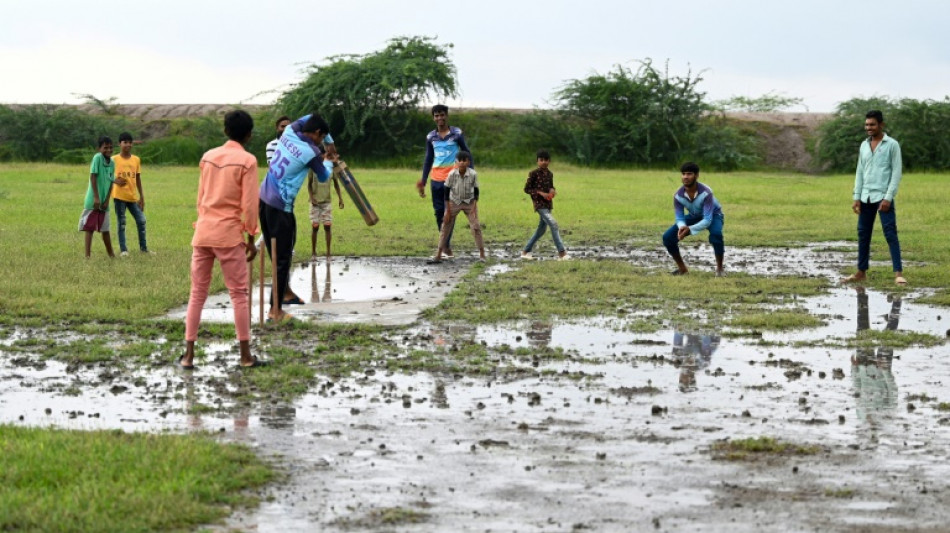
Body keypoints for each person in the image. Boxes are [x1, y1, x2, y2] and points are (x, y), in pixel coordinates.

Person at [179, 110, 266, 369]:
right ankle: (245, 356)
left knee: (197, 294)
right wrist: (251, 237)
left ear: (225, 131)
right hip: (228, 234)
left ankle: (188, 356)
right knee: (239, 294)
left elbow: (201, 197)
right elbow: (250, 205)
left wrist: (204, 220)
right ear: (249, 135)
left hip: (203, 231)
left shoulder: (208, 157)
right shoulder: (248, 160)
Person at [259, 113, 338, 322]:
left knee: (276, 255)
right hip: (281, 208)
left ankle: (285, 293)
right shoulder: (311, 152)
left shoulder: (289, 131)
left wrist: (328, 142)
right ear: (318, 133)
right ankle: (275, 311)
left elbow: (311, 116)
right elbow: (324, 176)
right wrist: (329, 159)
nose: (321, 142)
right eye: (322, 138)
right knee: (283, 258)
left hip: (263, 200)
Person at [842, 110, 906, 286]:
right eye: (867, 125)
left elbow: (896, 173)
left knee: (890, 233)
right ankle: (861, 272)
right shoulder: (864, 146)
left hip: (883, 197)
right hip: (865, 197)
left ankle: (898, 274)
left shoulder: (892, 145)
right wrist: (856, 197)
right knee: (863, 234)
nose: (869, 128)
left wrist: (888, 198)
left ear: (881, 125)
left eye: (872, 125)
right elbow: (860, 172)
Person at [417, 104, 473, 259]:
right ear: (433, 118)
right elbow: (428, 159)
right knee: (438, 213)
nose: (439, 118)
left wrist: (470, 174)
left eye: (442, 115)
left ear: (447, 116)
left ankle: (445, 244)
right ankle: (446, 244)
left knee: (450, 212)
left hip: (453, 180)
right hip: (436, 179)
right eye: (436, 115)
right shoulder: (431, 137)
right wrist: (423, 180)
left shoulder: (456, 134)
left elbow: (467, 154)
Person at [662, 161, 724, 276]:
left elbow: (707, 220)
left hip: (713, 215)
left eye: (689, 174)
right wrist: (682, 227)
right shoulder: (678, 195)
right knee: (667, 237)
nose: (685, 177)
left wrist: (689, 230)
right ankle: (682, 269)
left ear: (696, 175)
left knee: (716, 235)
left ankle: (720, 269)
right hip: (694, 215)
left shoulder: (706, 192)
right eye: (683, 174)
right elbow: (679, 217)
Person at [427, 151, 485, 263]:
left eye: (465, 160)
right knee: (445, 227)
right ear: (456, 162)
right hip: (454, 202)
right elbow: (446, 192)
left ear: (468, 162)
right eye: (460, 161)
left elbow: (476, 190)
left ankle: (482, 254)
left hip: (469, 202)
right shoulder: (452, 174)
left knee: (476, 226)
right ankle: (438, 254)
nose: (462, 163)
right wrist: (448, 210)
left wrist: (474, 206)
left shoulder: (473, 174)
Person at [79, 136, 126, 258]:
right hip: (93, 200)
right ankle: (87, 256)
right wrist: (96, 198)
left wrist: (106, 200)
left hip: (104, 201)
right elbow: (93, 176)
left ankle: (111, 255)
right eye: (105, 147)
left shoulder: (112, 163)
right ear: (99, 148)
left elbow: (110, 181)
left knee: (105, 229)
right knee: (89, 228)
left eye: (111, 147)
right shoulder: (97, 158)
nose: (109, 150)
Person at [521, 149, 570, 260]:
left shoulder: (550, 174)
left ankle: (525, 252)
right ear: (537, 161)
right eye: (541, 160)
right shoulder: (533, 174)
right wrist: (540, 193)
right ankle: (562, 253)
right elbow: (527, 189)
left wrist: (552, 190)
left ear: (549, 161)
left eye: (546, 160)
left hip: (548, 205)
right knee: (553, 224)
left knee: (541, 230)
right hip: (539, 205)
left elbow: (551, 186)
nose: (544, 162)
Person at [112, 132, 152, 256]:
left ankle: (144, 249)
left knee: (141, 220)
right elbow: (106, 174)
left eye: (130, 142)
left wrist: (142, 197)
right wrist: (114, 180)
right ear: (119, 144)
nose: (128, 145)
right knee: (122, 223)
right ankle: (124, 250)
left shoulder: (136, 160)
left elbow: (138, 179)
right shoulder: (113, 159)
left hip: (132, 197)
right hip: (119, 196)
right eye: (125, 142)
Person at [307, 159, 344, 262]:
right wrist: (311, 197)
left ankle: (328, 253)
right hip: (315, 203)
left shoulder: (330, 168)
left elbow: (336, 184)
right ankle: (314, 253)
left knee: (327, 226)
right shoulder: (313, 167)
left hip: (326, 202)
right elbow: (309, 185)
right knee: (315, 226)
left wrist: (340, 198)